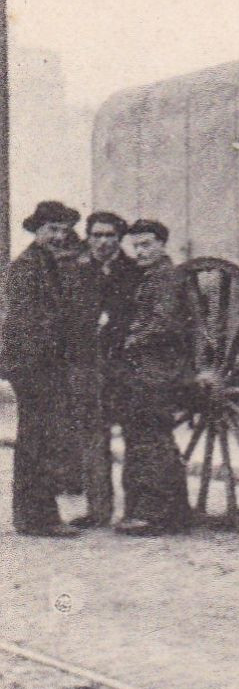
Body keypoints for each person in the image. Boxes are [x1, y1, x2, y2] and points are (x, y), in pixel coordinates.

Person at [1, 201, 85, 536]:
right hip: (34, 365)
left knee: (42, 439)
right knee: (37, 439)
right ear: (37, 231)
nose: (59, 236)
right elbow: (28, 323)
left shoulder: (47, 263)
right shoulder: (26, 267)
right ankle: (37, 518)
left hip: (43, 364)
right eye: (52, 229)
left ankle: (36, 515)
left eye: (63, 230)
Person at [112, 220, 193, 536]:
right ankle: (174, 513)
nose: (140, 252)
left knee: (150, 437)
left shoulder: (166, 279)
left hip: (158, 370)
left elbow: (165, 325)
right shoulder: (152, 278)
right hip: (148, 368)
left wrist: (130, 339)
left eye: (147, 245)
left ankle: (152, 513)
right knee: (150, 436)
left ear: (162, 244)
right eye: (136, 246)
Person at [64, 211, 141, 527]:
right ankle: (98, 510)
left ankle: (135, 510)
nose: (103, 242)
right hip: (87, 366)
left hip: (123, 366)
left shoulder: (134, 272)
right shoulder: (78, 272)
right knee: (92, 439)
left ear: (119, 238)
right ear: (88, 237)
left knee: (135, 436)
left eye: (109, 235)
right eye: (97, 235)